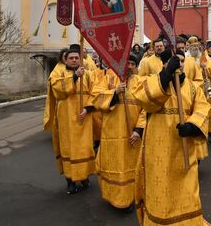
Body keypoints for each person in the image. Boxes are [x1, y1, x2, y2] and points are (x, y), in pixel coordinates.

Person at [130, 49, 211, 225]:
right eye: (174, 61)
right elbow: (144, 101)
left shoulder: (192, 87)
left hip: (183, 150)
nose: (179, 64)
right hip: (156, 151)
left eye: (182, 61)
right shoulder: (152, 82)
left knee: (187, 189)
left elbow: (203, 110)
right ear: (165, 63)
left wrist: (192, 126)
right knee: (159, 188)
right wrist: (166, 75)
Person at [91, 55, 146, 212]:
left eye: (132, 63)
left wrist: (139, 129)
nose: (128, 66)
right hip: (112, 132)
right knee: (113, 164)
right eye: (126, 63)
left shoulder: (141, 82)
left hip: (133, 134)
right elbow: (95, 97)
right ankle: (114, 196)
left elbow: (147, 108)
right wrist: (114, 93)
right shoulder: (109, 77)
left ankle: (132, 197)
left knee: (132, 166)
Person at [44, 44, 96, 194]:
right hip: (66, 118)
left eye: (76, 58)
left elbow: (95, 91)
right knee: (68, 148)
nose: (74, 60)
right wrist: (74, 77)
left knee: (84, 147)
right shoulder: (58, 73)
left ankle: (84, 176)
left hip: (83, 117)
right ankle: (70, 181)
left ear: (80, 59)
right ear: (65, 60)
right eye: (71, 58)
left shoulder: (88, 74)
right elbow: (57, 89)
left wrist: (88, 109)